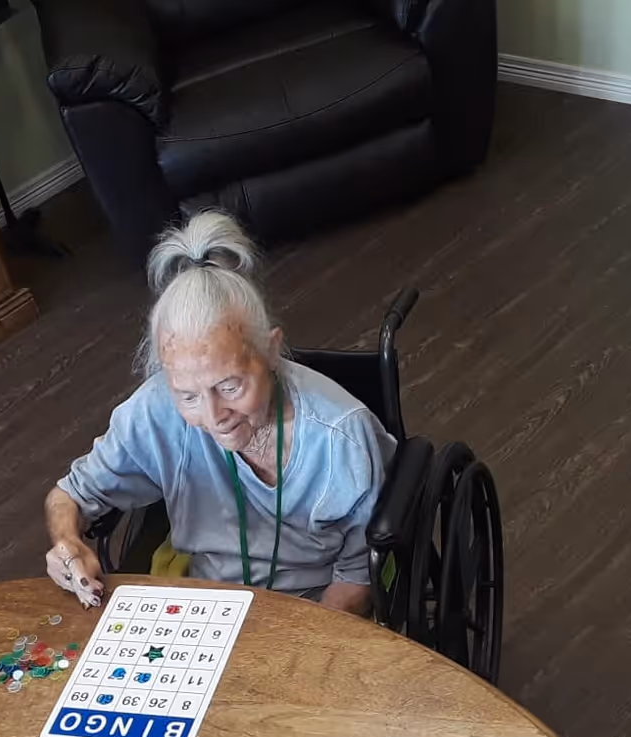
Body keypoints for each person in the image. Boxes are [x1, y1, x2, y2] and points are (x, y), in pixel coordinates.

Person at [43, 211, 395, 615]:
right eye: (188, 396)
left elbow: (356, 576)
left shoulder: (340, 438)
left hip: (311, 606)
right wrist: (67, 543)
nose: (214, 417)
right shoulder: (156, 408)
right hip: (205, 604)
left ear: (272, 351)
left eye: (229, 387)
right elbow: (70, 493)